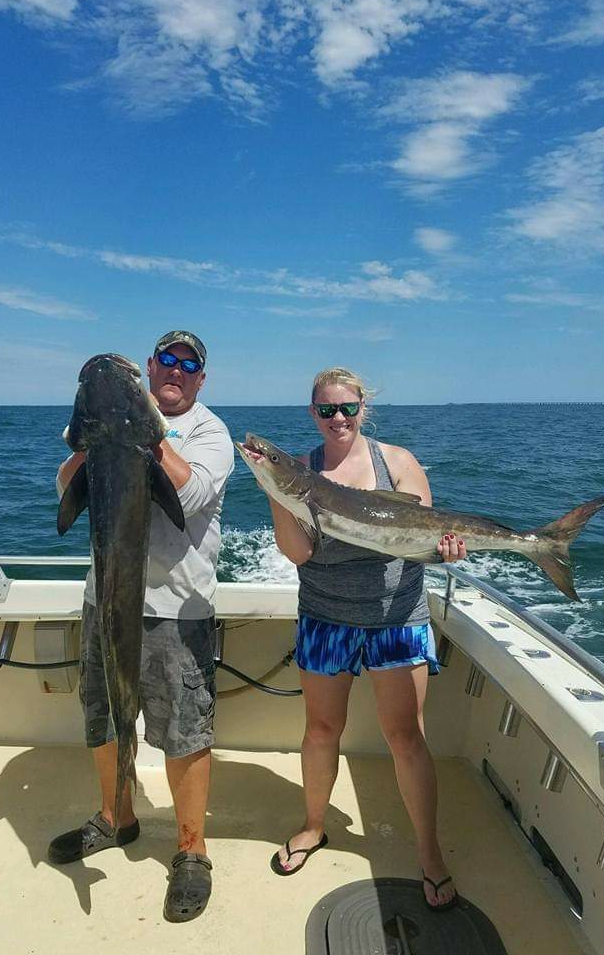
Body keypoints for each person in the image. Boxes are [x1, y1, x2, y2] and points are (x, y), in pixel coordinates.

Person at [245, 366, 465, 911]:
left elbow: (426, 536)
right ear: (312, 414)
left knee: (405, 738)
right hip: (325, 617)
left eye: (346, 408)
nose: (337, 418)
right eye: (326, 410)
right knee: (321, 730)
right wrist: (278, 486)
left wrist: (446, 548)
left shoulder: (400, 463)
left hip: (396, 618)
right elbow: (298, 554)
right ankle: (314, 826)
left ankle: (430, 853)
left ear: (363, 408)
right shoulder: (301, 472)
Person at [48, 330, 234, 924]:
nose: (176, 371)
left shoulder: (210, 432)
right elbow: (64, 489)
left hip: (177, 612)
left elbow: (192, 491)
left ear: (200, 379)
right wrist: (94, 437)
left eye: (189, 365)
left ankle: (190, 851)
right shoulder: (105, 418)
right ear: (149, 367)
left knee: (183, 731)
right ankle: (116, 816)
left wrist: (144, 435)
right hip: (105, 600)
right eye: (167, 361)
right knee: (102, 714)